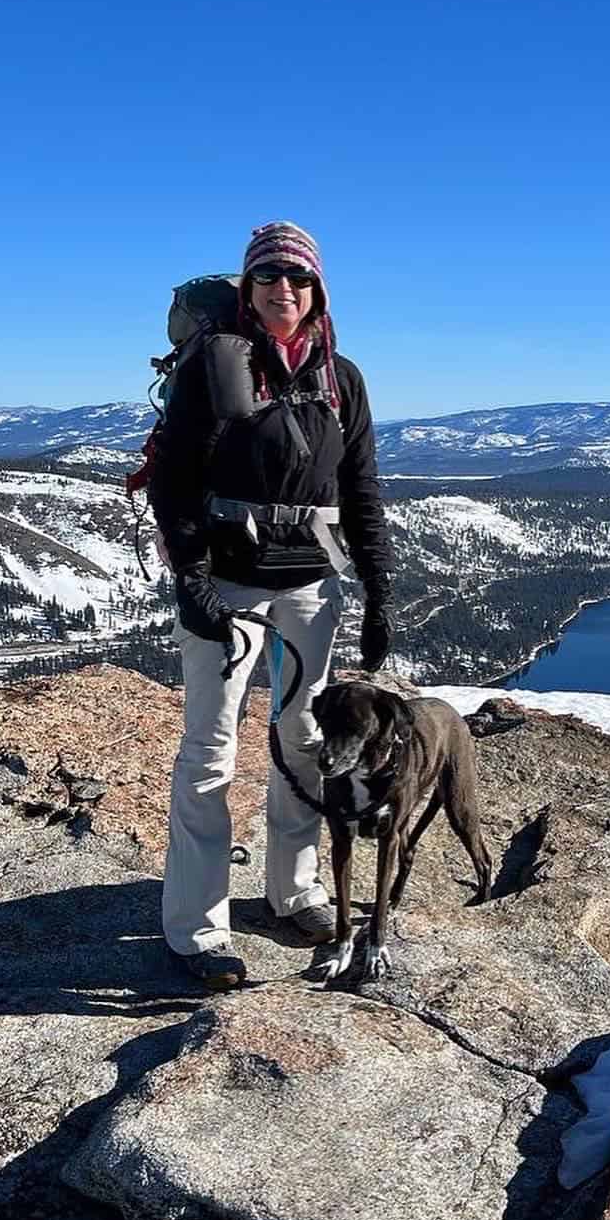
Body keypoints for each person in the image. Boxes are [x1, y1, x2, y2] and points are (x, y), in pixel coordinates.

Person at [149, 220, 393, 990]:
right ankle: (196, 928)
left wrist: (380, 589)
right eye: (268, 279)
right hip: (229, 584)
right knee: (210, 752)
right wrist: (192, 579)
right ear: (249, 293)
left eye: (298, 279)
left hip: (310, 589)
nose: (284, 290)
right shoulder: (217, 366)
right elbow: (174, 481)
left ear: (317, 290)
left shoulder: (340, 378)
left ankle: (295, 891)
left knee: (305, 743)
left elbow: (360, 491)